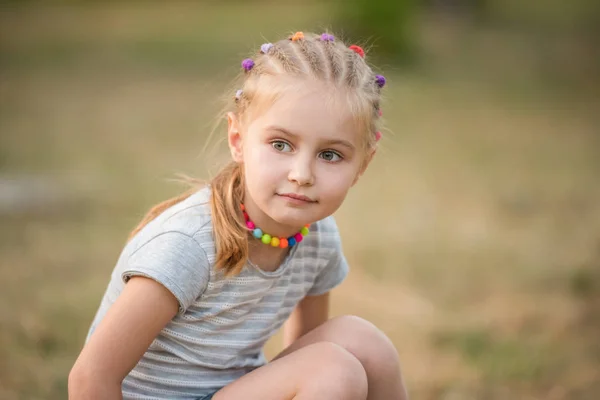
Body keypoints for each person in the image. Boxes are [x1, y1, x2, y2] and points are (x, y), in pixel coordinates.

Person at [69, 31, 409, 400]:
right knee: (336, 371)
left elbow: (304, 356)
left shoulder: (316, 235)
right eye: (281, 145)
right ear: (238, 140)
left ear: (362, 164)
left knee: (363, 342)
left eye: (330, 155)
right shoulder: (188, 244)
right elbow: (90, 378)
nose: (302, 174)